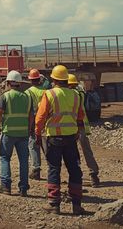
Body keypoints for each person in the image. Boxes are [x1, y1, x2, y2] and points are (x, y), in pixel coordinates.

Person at [34, 64, 87, 216]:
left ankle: (54, 204)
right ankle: (76, 205)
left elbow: (40, 117)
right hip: (71, 138)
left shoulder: (49, 94)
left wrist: (38, 133)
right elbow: (80, 116)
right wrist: (76, 132)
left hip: (54, 138)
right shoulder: (76, 95)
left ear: (54, 79)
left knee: (53, 169)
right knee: (75, 170)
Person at [0, 70, 33, 196]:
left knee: (5, 158)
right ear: (20, 84)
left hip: (8, 132)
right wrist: (30, 129)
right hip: (23, 134)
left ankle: (6, 186)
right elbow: (31, 115)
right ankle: (23, 188)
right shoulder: (27, 97)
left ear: (9, 82)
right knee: (24, 160)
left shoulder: (5, 96)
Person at [67, 74, 100, 187]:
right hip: (82, 126)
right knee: (87, 151)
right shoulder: (81, 93)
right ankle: (93, 174)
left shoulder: (70, 95)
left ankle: (77, 176)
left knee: (72, 152)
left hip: (72, 126)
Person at [25, 68, 50, 180]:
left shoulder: (28, 92)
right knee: (46, 145)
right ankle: (52, 168)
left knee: (33, 144)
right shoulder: (46, 91)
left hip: (34, 119)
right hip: (46, 120)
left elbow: (28, 110)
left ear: (30, 80)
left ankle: (36, 169)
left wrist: (29, 125)